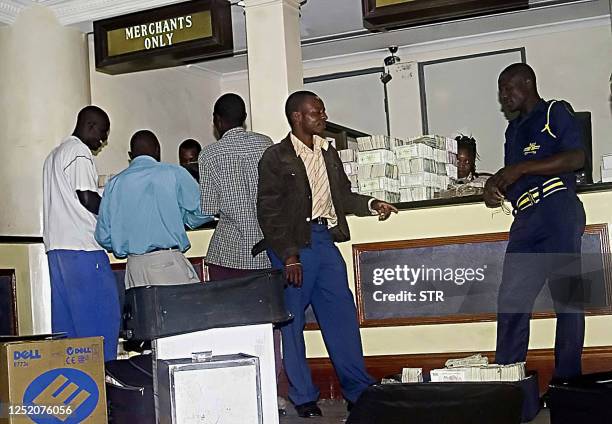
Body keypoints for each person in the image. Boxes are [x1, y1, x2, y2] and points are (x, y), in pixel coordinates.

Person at [254, 91, 398, 418]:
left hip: (324, 240)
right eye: (316, 112)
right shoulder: (276, 157)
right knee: (291, 323)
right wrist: (289, 255)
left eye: (322, 111)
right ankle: (303, 396)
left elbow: (342, 196)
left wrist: (371, 204)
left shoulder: (328, 152)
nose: (324, 116)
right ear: (297, 117)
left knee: (342, 316)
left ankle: (358, 391)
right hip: (293, 247)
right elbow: (269, 212)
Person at [484, 63, 586, 379]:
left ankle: (567, 384)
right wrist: (494, 186)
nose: (503, 96)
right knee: (512, 301)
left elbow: (576, 158)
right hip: (526, 218)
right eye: (501, 90)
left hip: (557, 208)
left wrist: (523, 168)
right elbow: (512, 177)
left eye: (508, 87)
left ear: (527, 83)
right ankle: (510, 384)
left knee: (567, 300)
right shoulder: (512, 131)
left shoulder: (555, 112)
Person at [43, 105, 120, 362]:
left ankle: (78, 389)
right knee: (100, 323)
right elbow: (86, 197)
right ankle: (106, 390)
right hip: (83, 249)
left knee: (69, 333)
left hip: (57, 251)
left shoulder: (54, 155)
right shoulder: (79, 152)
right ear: (90, 125)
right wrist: (114, 214)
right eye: (103, 132)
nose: (104, 140)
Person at [95, 130, 213, 288]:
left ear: (131, 155)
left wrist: (124, 240)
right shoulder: (174, 173)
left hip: (133, 268)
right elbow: (206, 209)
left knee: (144, 313)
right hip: (167, 263)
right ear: (158, 150)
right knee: (187, 310)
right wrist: (185, 219)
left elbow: (103, 236)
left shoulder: (114, 184)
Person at [198, 93, 273, 280]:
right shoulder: (266, 144)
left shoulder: (209, 155)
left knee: (229, 308)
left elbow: (209, 208)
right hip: (267, 251)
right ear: (244, 118)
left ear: (217, 120)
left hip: (228, 255)